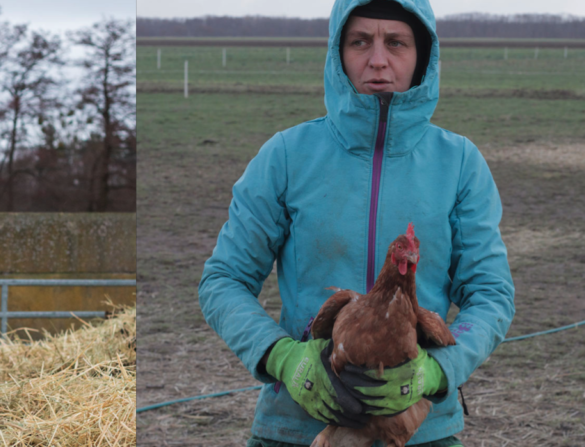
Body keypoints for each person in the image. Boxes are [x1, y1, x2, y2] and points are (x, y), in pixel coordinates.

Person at [198, 0, 515, 445]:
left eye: (397, 43)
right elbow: (223, 279)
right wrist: (283, 358)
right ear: (337, 51)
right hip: (296, 427)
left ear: (423, 55)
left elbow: (491, 293)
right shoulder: (287, 155)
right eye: (360, 41)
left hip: (419, 429)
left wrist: (436, 370)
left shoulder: (459, 162)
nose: (378, 59)